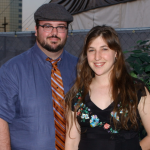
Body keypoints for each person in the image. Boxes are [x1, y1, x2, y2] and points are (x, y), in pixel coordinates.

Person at [0, 3, 77, 150]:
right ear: (36, 30)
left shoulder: (81, 69)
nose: (54, 32)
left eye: (61, 27)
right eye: (47, 26)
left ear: (67, 32)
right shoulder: (12, 70)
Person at [65, 25, 150, 150]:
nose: (97, 57)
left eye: (104, 49)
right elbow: (71, 144)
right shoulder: (76, 94)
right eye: (91, 50)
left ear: (116, 53)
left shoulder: (136, 90)